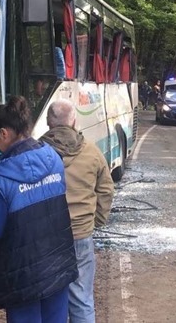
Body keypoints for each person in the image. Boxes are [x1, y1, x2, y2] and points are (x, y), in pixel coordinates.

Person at [0, 96, 78, 322]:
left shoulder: (1, 177)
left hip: (22, 275)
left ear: (4, 133)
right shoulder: (53, 157)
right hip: (57, 264)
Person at [41, 100, 114, 323]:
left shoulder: (37, 152)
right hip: (81, 234)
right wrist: (96, 221)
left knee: (50, 300)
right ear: (74, 121)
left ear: (48, 122)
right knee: (81, 299)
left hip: (46, 237)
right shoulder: (92, 151)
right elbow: (106, 189)